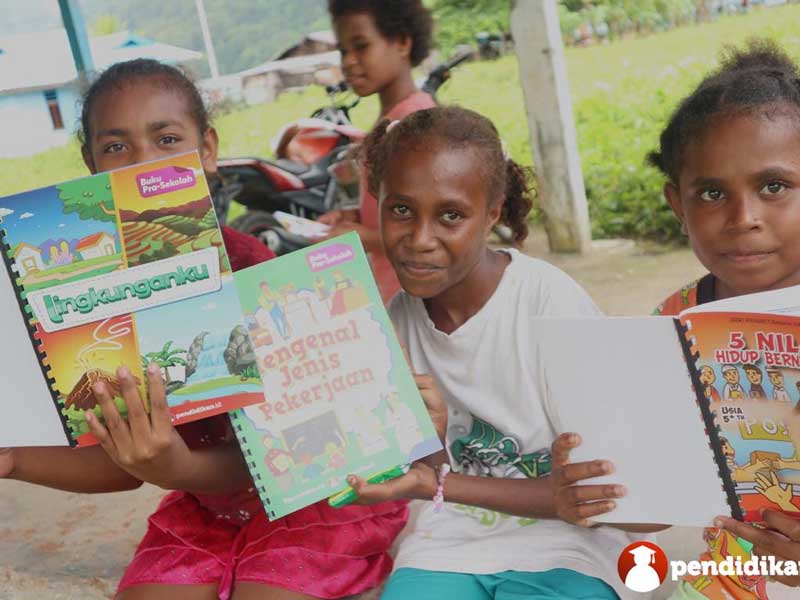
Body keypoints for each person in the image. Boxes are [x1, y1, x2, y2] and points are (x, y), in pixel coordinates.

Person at [0, 58, 407, 600]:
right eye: (116, 147)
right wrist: (14, 459)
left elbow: (292, 453)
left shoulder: (252, 270)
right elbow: (121, 463)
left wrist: (177, 467)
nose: (143, 163)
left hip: (311, 495)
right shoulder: (83, 305)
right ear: (90, 165)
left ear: (207, 150)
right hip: (208, 509)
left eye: (167, 139)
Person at [341, 106, 654, 600]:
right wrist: (428, 440)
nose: (419, 240)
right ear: (378, 201)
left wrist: (436, 482)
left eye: (450, 215)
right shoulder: (394, 322)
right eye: (401, 210)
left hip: (573, 543)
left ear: (492, 213)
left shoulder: (548, 303)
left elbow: (599, 493)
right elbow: (431, 474)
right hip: (451, 540)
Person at [556, 40, 800, 597]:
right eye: (712, 193)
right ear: (677, 205)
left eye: (774, 186)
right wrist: (599, 494)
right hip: (731, 582)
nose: (743, 218)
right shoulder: (673, 323)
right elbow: (657, 505)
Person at [319, 0, 436, 303]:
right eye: (343, 51)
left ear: (402, 42)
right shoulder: (389, 121)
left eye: (361, 46)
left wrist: (361, 237)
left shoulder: (414, 124)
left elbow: (430, 231)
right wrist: (352, 218)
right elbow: (393, 208)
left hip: (420, 300)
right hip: (396, 291)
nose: (349, 62)